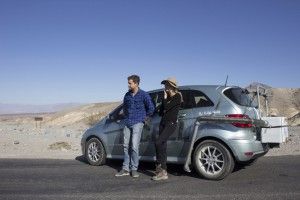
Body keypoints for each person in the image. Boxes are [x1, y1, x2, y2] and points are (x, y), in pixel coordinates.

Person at [115, 75, 154, 178]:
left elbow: (151, 108)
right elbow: (125, 108)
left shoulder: (144, 95)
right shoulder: (127, 95)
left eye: (130, 83)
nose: (128, 85)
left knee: (134, 146)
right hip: (127, 123)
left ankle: (134, 169)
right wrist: (125, 118)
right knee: (125, 146)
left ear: (136, 83)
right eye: (128, 83)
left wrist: (144, 119)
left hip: (138, 122)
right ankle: (125, 169)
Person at [152, 77, 182, 181]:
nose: (165, 87)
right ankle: (162, 172)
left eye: (166, 85)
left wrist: (164, 99)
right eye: (165, 85)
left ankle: (160, 167)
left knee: (158, 143)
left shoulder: (178, 96)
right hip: (163, 123)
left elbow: (167, 108)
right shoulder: (167, 98)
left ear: (172, 86)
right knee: (162, 146)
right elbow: (161, 111)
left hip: (171, 124)